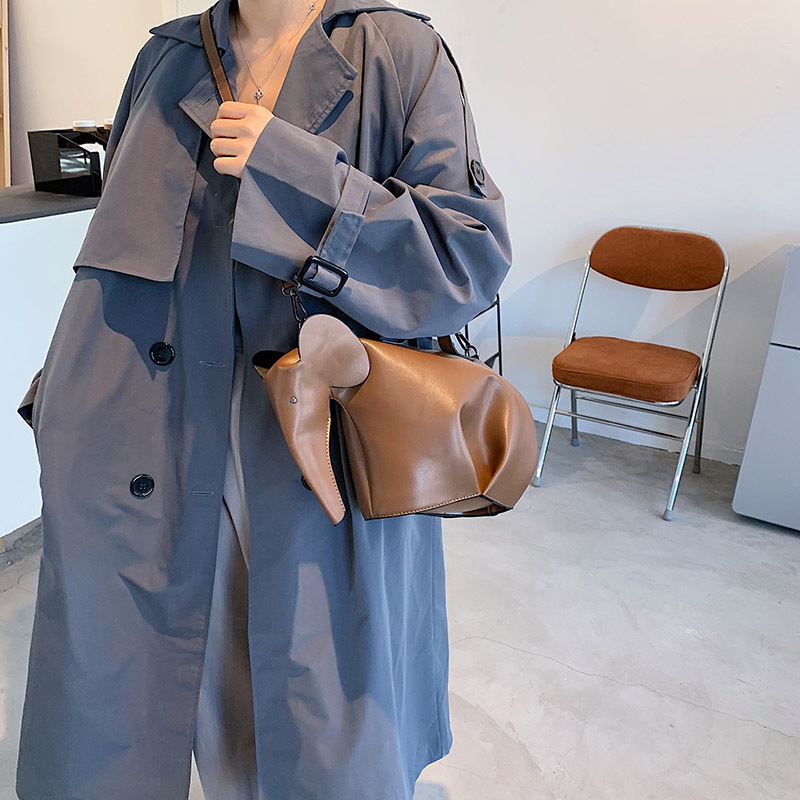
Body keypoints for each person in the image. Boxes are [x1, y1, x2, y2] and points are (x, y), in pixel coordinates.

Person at [14, 0, 513, 798]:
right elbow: (112, 253)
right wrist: (62, 413)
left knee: (313, 722)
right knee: (148, 704)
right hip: (156, 444)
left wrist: (296, 173)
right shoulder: (168, 58)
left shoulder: (396, 51)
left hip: (318, 457)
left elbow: (466, 258)